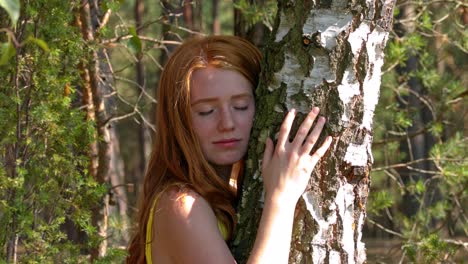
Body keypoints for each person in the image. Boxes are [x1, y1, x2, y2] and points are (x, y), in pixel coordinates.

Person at [126, 35, 332, 264]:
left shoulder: (229, 193)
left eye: (241, 106)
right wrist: (281, 196)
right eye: (206, 111)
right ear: (179, 121)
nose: (227, 123)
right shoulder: (180, 205)